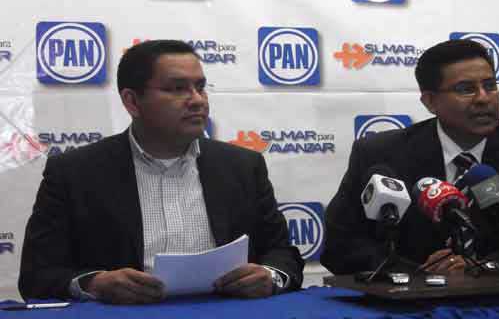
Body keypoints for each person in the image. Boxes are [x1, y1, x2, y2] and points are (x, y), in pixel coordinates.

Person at [19, 40, 303, 303]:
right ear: (132, 102)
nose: (197, 100)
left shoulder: (243, 166)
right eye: (177, 89)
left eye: (200, 87)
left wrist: (270, 276)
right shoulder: (74, 173)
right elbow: (37, 276)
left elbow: (282, 254)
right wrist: (95, 283)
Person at [321, 39, 499, 275]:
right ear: (430, 101)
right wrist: (419, 273)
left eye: (490, 85)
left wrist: (482, 269)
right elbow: (340, 245)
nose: (483, 98)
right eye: (466, 89)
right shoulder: (381, 154)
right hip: (409, 299)